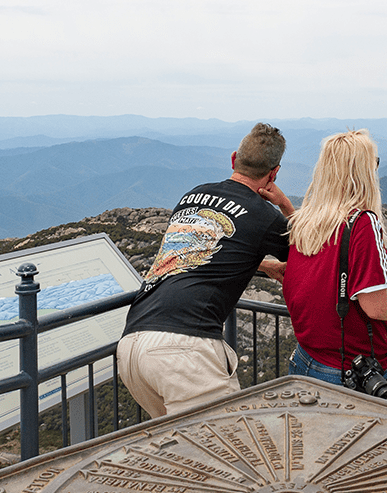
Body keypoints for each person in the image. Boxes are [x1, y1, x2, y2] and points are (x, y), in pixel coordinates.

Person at [116, 123, 295, 418]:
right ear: (274, 174)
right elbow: (316, 251)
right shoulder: (265, 216)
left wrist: (259, 264)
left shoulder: (192, 196)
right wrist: (286, 206)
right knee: (230, 452)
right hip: (183, 350)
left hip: (133, 345)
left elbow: (188, 251)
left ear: (234, 158)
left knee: (180, 452)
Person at [282, 129, 387, 387]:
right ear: (363, 172)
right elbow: (375, 306)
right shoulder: (363, 223)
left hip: (304, 360)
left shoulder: (306, 221)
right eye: (374, 163)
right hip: (348, 374)